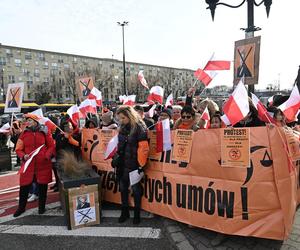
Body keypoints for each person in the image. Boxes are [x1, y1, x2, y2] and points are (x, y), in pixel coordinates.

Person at [113, 105, 149, 224]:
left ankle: (136, 213)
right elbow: (119, 144)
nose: (121, 120)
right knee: (123, 187)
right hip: (123, 162)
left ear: (129, 115)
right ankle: (125, 211)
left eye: (123, 118)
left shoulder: (140, 127)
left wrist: (140, 165)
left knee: (135, 189)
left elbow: (144, 148)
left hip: (134, 163)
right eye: (119, 118)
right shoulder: (122, 127)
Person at [14, 113, 55, 217]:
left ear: (36, 121)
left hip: (43, 164)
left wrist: (47, 155)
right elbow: (18, 149)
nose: (28, 122)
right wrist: (23, 156)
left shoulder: (45, 132)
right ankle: (21, 208)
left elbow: (51, 146)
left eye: (30, 120)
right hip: (28, 165)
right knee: (24, 187)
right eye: (27, 121)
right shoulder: (24, 133)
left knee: (42, 187)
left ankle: (42, 208)